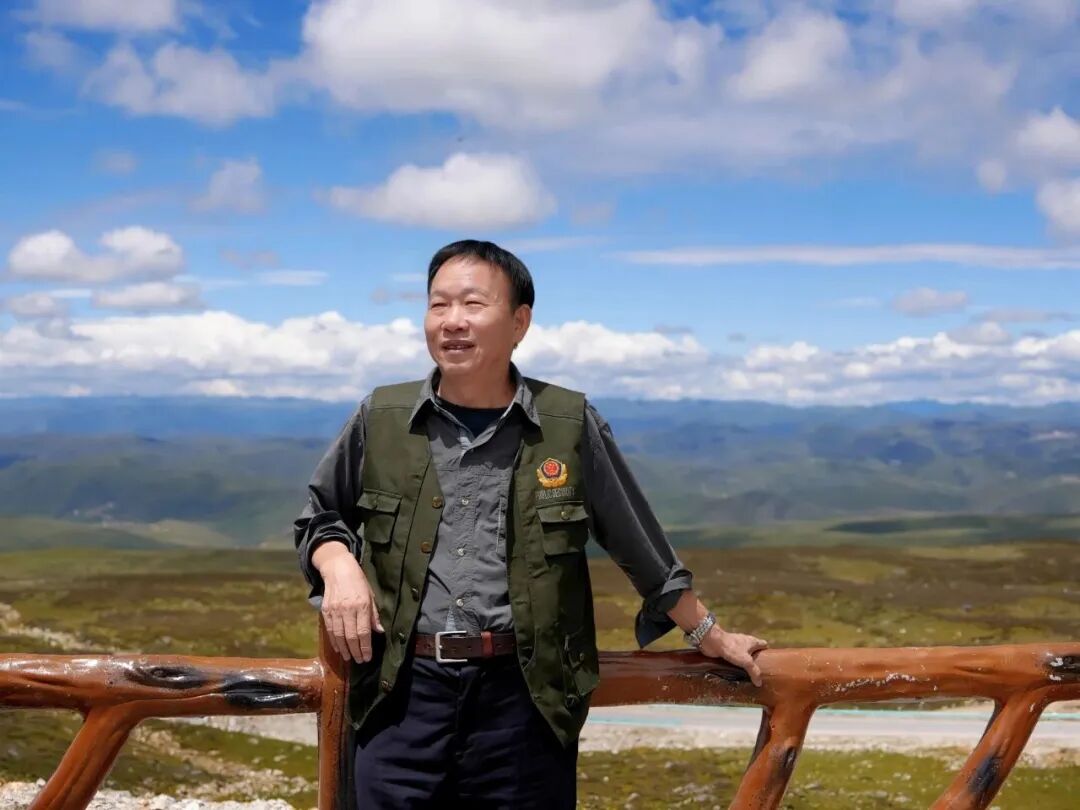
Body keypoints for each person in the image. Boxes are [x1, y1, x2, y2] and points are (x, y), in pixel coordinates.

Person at [293, 239, 768, 809]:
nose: (452, 321)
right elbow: (319, 515)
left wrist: (709, 634)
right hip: (399, 697)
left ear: (519, 322)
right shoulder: (382, 416)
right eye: (438, 304)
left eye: (473, 304)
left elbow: (641, 547)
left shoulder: (567, 423)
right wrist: (338, 564)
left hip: (525, 702)